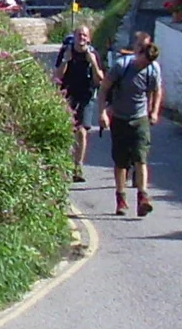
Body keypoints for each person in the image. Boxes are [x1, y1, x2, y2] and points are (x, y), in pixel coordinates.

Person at [101, 33, 164, 216]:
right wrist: (102, 112)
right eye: (144, 62)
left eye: (148, 63)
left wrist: (154, 111)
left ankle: (143, 198)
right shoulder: (122, 66)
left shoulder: (153, 68)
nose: (145, 66)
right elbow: (104, 88)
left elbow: (157, 90)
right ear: (139, 53)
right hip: (119, 118)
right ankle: (121, 199)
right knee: (121, 162)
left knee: (140, 158)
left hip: (140, 118)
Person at [54, 27, 106, 182]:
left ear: (88, 39)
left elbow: (100, 80)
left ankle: (77, 167)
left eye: (84, 35)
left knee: (82, 131)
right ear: (74, 37)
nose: (81, 38)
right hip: (66, 95)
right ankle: (64, 165)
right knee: (67, 131)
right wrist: (66, 61)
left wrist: (93, 63)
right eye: (79, 35)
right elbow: (57, 77)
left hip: (86, 96)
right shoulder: (66, 52)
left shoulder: (93, 54)